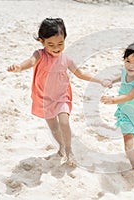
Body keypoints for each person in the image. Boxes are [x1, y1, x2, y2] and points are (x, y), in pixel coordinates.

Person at [7, 18, 111, 166]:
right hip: (44, 97)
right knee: (53, 127)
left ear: (65, 40)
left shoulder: (66, 59)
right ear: (42, 42)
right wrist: (19, 67)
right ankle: (61, 146)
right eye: (51, 44)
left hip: (62, 96)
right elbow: (30, 62)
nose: (56, 48)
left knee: (63, 122)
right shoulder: (40, 55)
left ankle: (69, 151)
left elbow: (80, 74)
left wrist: (99, 80)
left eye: (60, 44)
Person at [101, 41, 134, 169]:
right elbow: (122, 76)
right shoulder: (126, 71)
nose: (130, 66)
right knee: (128, 137)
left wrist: (113, 100)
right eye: (127, 61)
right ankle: (133, 163)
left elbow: (130, 96)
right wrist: (112, 80)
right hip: (126, 113)